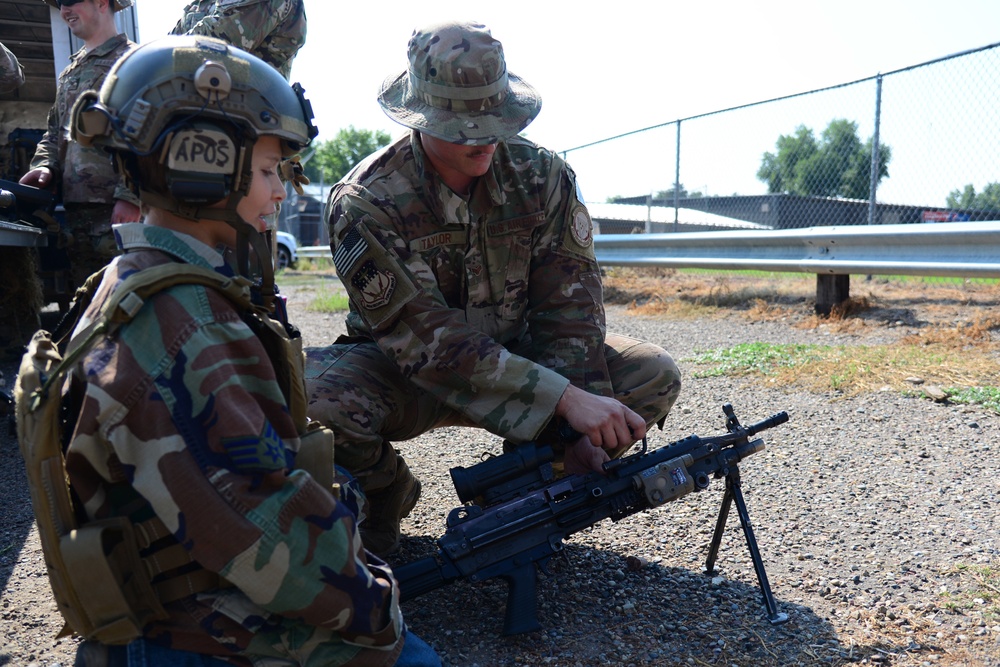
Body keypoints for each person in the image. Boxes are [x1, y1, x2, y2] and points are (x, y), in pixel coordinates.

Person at [61, 35, 439, 665]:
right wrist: (376, 605)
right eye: (267, 172)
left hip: (167, 604)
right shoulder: (178, 323)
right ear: (200, 166)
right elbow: (261, 526)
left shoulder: (142, 281)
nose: (281, 192)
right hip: (189, 631)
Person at [305, 20, 682, 557]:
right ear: (420, 117)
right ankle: (385, 491)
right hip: (407, 372)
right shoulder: (368, 199)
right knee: (308, 401)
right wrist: (564, 399)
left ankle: (524, 497)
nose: (482, 138)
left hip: (523, 357)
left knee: (650, 373)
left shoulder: (542, 177)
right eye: (462, 127)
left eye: (493, 120)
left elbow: (569, 313)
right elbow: (427, 340)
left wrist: (573, 436)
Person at [19, 0, 141, 292]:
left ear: (101, 2)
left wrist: (131, 195)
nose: (64, 11)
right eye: (60, 3)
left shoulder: (134, 62)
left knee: (128, 299)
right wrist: (45, 167)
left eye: (71, 1)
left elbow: (148, 133)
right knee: (89, 302)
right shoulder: (71, 71)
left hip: (119, 212)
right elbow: (55, 132)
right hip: (77, 213)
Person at [170, 0, 306, 79]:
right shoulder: (202, 3)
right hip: (193, 98)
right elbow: (167, 45)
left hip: (242, 110)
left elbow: (215, 43)